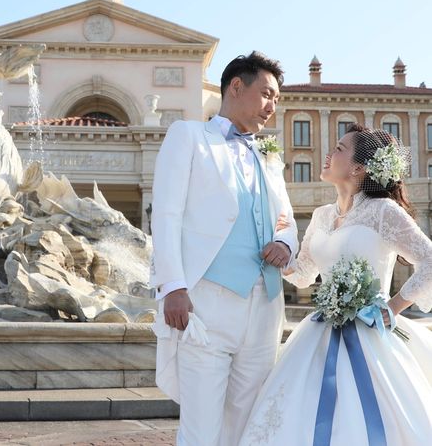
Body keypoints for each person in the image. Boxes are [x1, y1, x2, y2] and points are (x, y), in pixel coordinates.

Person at [240, 124, 432, 446]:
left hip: (372, 335)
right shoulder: (321, 215)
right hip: (319, 332)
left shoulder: (383, 212)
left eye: (340, 149)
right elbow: (304, 274)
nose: (329, 154)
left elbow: (429, 259)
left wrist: (393, 307)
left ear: (358, 168)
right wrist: (281, 256)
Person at [150, 51, 299, 445]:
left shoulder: (269, 156)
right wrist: (173, 286)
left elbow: (286, 218)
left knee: (247, 425)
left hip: (265, 308)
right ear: (236, 86)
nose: (272, 106)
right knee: (201, 428)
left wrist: (285, 243)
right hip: (206, 302)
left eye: (276, 99)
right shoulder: (188, 136)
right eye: (266, 94)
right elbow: (165, 214)